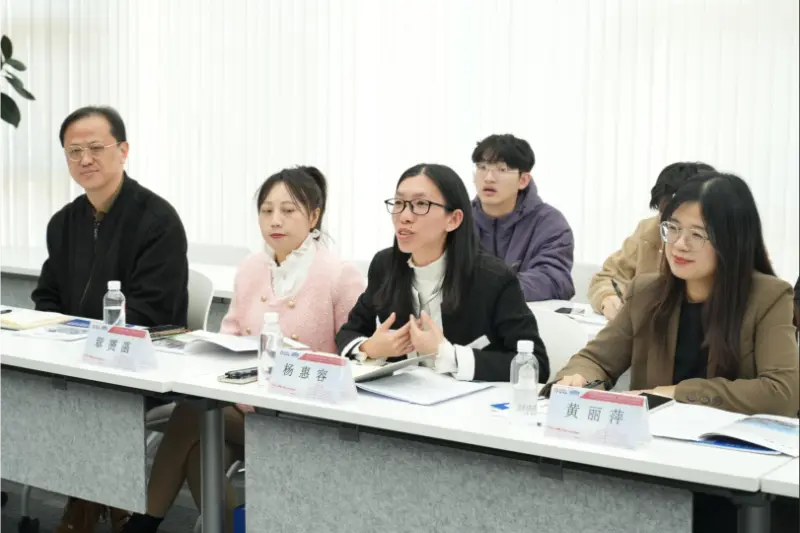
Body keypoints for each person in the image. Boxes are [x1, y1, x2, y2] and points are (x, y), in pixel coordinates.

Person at [548, 172, 799, 533]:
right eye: (673, 229)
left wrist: (677, 393)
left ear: (732, 240)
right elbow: (597, 358)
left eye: (698, 234)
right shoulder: (647, 292)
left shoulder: (769, 297)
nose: (680, 244)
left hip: (734, 475)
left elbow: (783, 393)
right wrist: (577, 379)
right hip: (658, 464)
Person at [120, 166, 365, 533]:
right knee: (200, 448)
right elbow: (230, 334)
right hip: (246, 406)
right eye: (266, 210)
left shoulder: (338, 274)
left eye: (288, 210)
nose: (275, 220)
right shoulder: (252, 267)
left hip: (305, 417)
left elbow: (353, 356)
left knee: (193, 415)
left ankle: (142, 524)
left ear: (314, 216)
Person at [33, 106, 189, 533]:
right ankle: (98, 502)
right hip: (75, 360)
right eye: (74, 151)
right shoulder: (63, 223)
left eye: (96, 148)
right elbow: (46, 297)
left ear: (123, 150)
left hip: (141, 364)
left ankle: (88, 506)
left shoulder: (157, 220)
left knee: (86, 394)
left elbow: (153, 313)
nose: (85, 159)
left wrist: (86, 345)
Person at [336, 163, 550, 383]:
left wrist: (447, 354)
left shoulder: (493, 278)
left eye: (421, 204)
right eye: (399, 203)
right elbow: (348, 333)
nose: (404, 216)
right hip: (398, 398)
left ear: (453, 219)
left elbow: (536, 364)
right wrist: (369, 348)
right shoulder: (385, 265)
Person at [588, 161, 715, 319]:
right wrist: (608, 298)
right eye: (666, 218)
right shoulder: (650, 230)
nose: (679, 242)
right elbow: (608, 277)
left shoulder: (723, 241)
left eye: (696, 233)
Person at [470, 134, 575, 302]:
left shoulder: (549, 223)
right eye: (482, 167)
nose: (488, 178)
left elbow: (554, 279)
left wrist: (495, 289)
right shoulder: (457, 219)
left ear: (523, 180)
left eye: (502, 169)